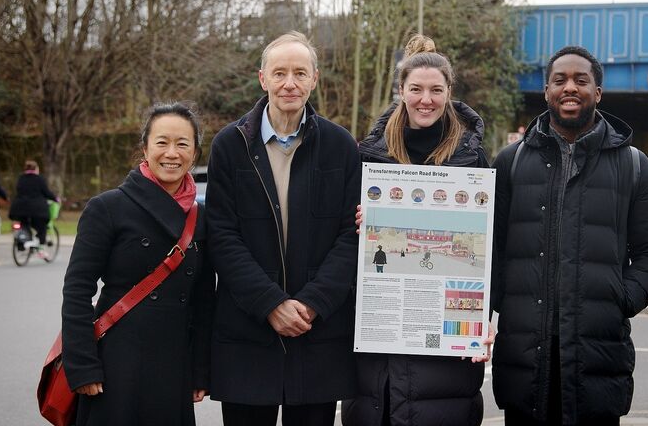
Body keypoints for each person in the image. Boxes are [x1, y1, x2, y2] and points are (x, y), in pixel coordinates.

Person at [490, 45, 648, 425]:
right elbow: (484, 245)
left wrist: (619, 298)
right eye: (560, 80)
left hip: (597, 363)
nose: (569, 87)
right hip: (524, 361)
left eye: (580, 80)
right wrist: (501, 299)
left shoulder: (633, 165)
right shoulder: (510, 162)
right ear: (546, 91)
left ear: (598, 93)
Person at [205, 31, 360, 426]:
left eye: (299, 73)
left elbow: (352, 236)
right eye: (279, 73)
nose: (289, 83)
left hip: (318, 334)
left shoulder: (341, 146)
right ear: (263, 79)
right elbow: (222, 236)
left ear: (314, 79)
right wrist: (270, 303)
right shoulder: (230, 144)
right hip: (248, 332)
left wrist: (311, 304)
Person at [342, 34, 492, 426]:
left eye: (435, 90)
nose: (426, 99)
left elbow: (491, 246)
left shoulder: (473, 159)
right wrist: (357, 223)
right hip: (380, 330)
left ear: (449, 92)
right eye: (416, 89)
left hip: (444, 346)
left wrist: (484, 323)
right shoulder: (366, 156)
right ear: (401, 91)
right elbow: (338, 240)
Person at [61, 102, 214, 425]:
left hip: (173, 365)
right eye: (162, 142)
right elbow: (77, 290)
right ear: (144, 148)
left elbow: (203, 300)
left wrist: (199, 370)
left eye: (182, 144)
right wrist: (83, 365)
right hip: (116, 362)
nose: (171, 153)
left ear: (195, 153)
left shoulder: (200, 219)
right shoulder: (107, 207)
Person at [8, 160, 58, 258]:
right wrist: (56, 198)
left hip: (19, 209)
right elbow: (46, 192)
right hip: (37, 209)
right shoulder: (39, 179)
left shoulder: (21, 178)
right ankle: (41, 249)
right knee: (42, 226)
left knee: (24, 224)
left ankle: (22, 242)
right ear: (36, 169)